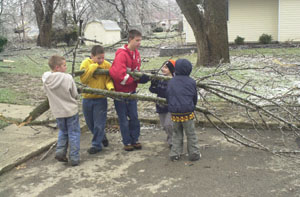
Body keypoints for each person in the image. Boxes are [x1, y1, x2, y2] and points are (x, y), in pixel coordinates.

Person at [109, 29, 149, 151]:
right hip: (120, 93)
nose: (139, 43)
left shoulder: (136, 54)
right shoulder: (122, 54)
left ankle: (135, 139)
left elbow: (136, 70)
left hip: (132, 92)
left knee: (134, 117)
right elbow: (119, 75)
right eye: (137, 40)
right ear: (130, 40)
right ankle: (127, 142)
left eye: (140, 40)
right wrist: (136, 80)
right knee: (123, 119)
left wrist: (140, 77)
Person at [42, 55, 80, 166]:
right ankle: (74, 157)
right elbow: (74, 94)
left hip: (57, 112)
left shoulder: (46, 79)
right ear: (57, 67)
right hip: (70, 111)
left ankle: (60, 151)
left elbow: (46, 77)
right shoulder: (67, 78)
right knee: (74, 133)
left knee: (63, 132)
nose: (66, 67)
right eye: (64, 65)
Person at [80, 45, 114, 154]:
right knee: (90, 123)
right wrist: (93, 67)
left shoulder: (107, 65)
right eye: (99, 58)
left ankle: (96, 145)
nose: (101, 60)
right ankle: (102, 137)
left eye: (103, 58)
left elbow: (109, 79)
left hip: (100, 99)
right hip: (87, 98)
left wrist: (110, 88)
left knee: (99, 123)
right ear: (92, 56)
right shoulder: (86, 64)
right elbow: (84, 80)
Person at [166, 59, 201, 161]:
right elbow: (194, 97)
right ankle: (194, 153)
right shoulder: (191, 82)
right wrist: (192, 106)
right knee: (191, 133)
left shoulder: (171, 81)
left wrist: (171, 106)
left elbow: (168, 95)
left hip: (175, 113)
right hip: (187, 113)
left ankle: (175, 154)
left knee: (177, 133)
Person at [149, 60, 176, 148]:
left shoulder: (174, 80)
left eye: (166, 67)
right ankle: (170, 137)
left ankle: (173, 141)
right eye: (163, 67)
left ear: (171, 70)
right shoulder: (161, 79)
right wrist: (153, 83)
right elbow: (153, 90)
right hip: (161, 106)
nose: (163, 69)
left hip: (170, 107)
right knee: (164, 125)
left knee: (169, 124)